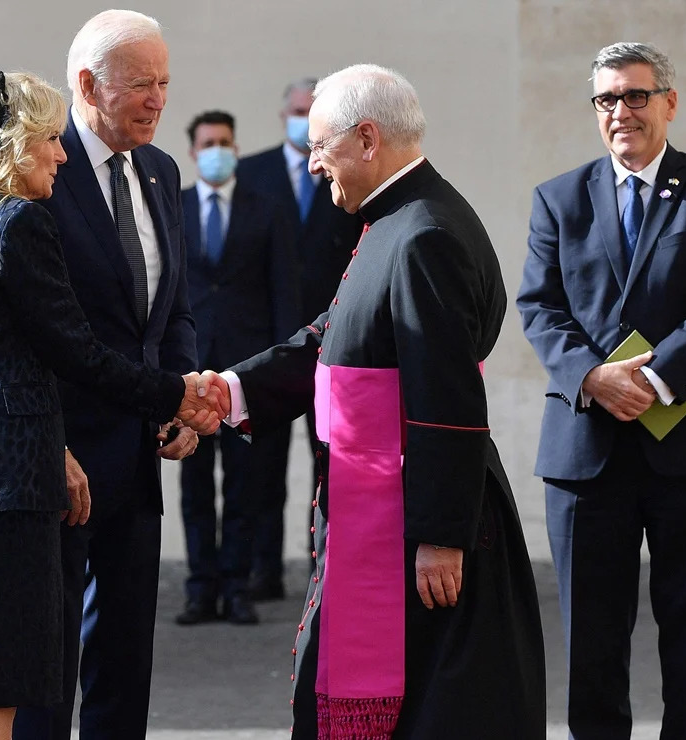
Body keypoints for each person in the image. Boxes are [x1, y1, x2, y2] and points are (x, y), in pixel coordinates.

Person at [205, 63, 545, 738]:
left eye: (318, 148)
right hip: (386, 513)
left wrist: (442, 537)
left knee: (436, 709)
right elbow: (331, 338)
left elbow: (445, 394)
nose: (309, 167)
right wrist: (229, 391)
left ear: (366, 139)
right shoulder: (392, 220)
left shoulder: (423, 235)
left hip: (420, 528)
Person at [0, 71, 221, 740]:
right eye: (46, 139)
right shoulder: (17, 223)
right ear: (12, 143)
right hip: (9, 478)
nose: (61, 154)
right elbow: (77, 353)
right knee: (3, 684)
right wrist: (179, 394)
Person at [517, 42, 686, 739]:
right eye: (606, 99)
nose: (620, 111)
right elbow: (538, 308)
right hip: (587, 444)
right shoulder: (557, 198)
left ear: (668, 102)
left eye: (634, 95)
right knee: (591, 640)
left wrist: (654, 379)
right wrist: (593, 378)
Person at [9, 11, 199, 740]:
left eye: (164, 83)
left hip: (139, 449)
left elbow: (172, 305)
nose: (158, 100)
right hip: (58, 457)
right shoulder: (38, 170)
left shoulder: (160, 169)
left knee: (124, 656)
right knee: (48, 661)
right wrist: (44, 443)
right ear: (87, 86)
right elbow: (23, 332)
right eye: (142, 85)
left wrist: (179, 394)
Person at [236, 77, 365, 600]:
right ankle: (260, 569)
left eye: (310, 112)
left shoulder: (348, 177)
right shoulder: (254, 173)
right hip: (269, 337)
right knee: (261, 467)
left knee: (329, 455)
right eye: (295, 110)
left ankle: (325, 567)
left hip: (332, 336)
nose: (301, 118)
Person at [175, 110, 298, 626]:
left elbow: (283, 294)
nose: (217, 150)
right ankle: (201, 587)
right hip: (190, 372)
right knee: (195, 485)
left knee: (246, 484)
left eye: (225, 141)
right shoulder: (173, 208)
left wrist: (276, 371)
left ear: (237, 148)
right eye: (208, 143)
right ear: (193, 151)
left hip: (246, 372)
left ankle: (237, 586)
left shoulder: (266, 209)